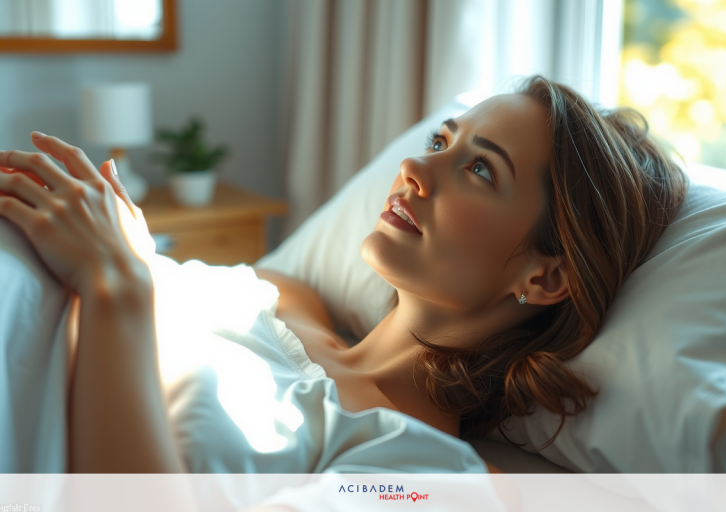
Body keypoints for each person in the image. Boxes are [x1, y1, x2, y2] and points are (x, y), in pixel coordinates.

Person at [0, 76, 687, 476]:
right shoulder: (285, 298)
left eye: (480, 169)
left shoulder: (415, 472)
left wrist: (118, 286)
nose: (416, 169)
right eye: (440, 141)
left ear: (544, 279)